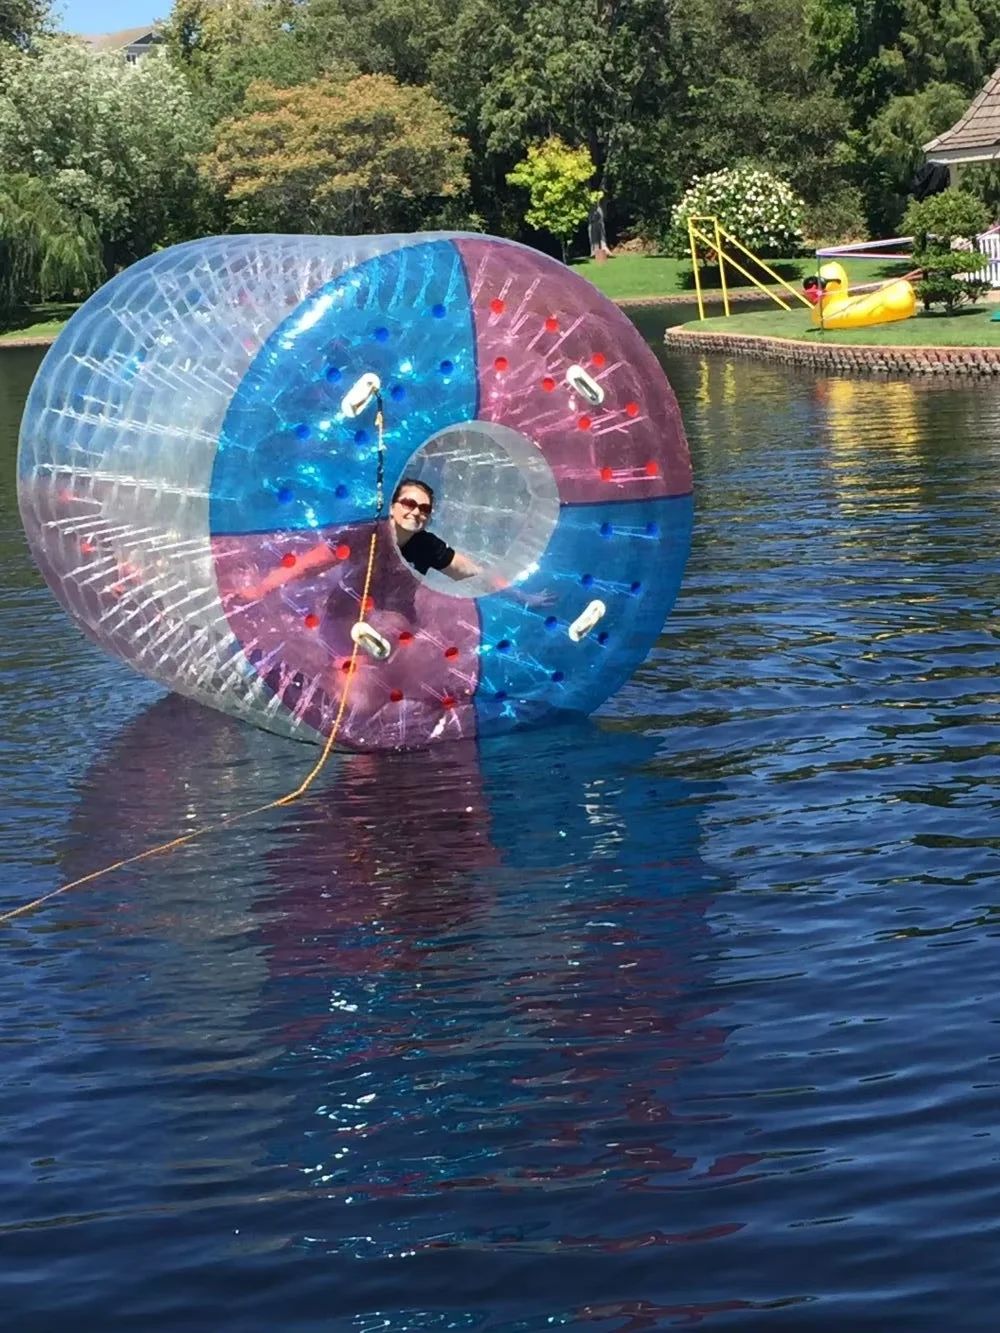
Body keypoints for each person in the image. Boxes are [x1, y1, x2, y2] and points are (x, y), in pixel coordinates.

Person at [389, 478, 480, 581]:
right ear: (391, 508)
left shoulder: (426, 545)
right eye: (409, 504)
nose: (416, 512)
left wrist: (494, 583)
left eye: (424, 509)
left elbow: (466, 570)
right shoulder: (372, 536)